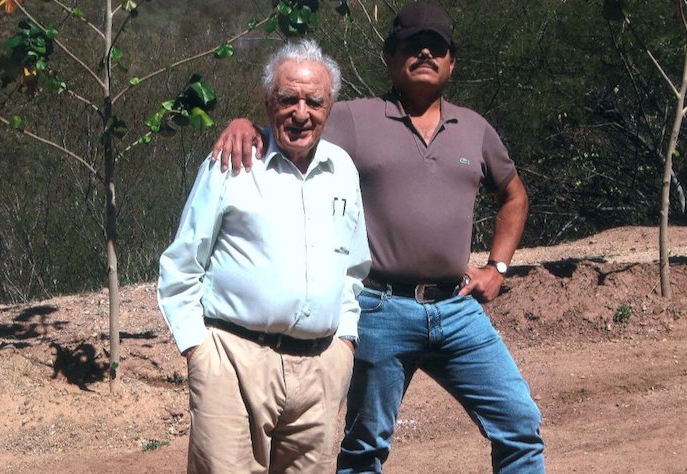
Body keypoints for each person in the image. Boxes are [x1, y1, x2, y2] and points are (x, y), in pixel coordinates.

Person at [212, 2, 545, 472]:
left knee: (520, 424)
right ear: (390, 57)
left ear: (452, 62)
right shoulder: (355, 118)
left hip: (458, 310)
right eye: (413, 45)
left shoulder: (475, 129)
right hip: (380, 310)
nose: (425, 53)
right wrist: (245, 126)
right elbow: (292, 125)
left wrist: (498, 267)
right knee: (366, 447)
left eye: (437, 47)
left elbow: (514, 196)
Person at [157, 39, 371, 474]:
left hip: (321, 368)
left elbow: (353, 268)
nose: (300, 113)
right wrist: (199, 352)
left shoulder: (343, 170)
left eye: (314, 101)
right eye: (288, 99)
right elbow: (183, 263)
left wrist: (345, 344)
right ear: (267, 101)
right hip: (232, 363)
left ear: (330, 106)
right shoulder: (232, 163)